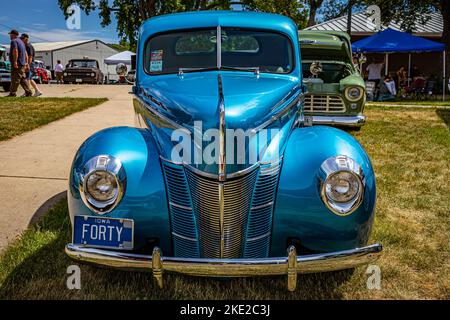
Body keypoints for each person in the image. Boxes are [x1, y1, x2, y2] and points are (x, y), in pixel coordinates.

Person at [7, 30, 32, 97]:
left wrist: (15, 61)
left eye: (10, 34)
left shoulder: (14, 41)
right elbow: (25, 54)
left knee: (15, 78)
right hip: (22, 63)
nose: (10, 36)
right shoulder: (21, 42)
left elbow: (15, 51)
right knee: (22, 79)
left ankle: (12, 93)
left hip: (17, 63)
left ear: (14, 35)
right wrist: (26, 63)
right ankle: (28, 92)